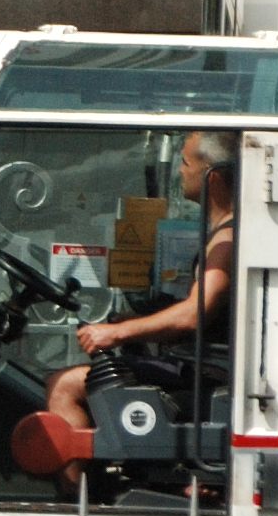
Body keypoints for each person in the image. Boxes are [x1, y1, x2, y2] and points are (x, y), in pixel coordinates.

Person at [39, 130, 238, 483]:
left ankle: (73, 503)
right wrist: (140, 320)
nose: (179, 171)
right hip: (200, 369)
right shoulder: (223, 233)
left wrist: (116, 332)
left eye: (186, 163)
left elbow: (195, 313)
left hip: (206, 379)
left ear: (214, 176)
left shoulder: (225, 241)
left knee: (65, 385)